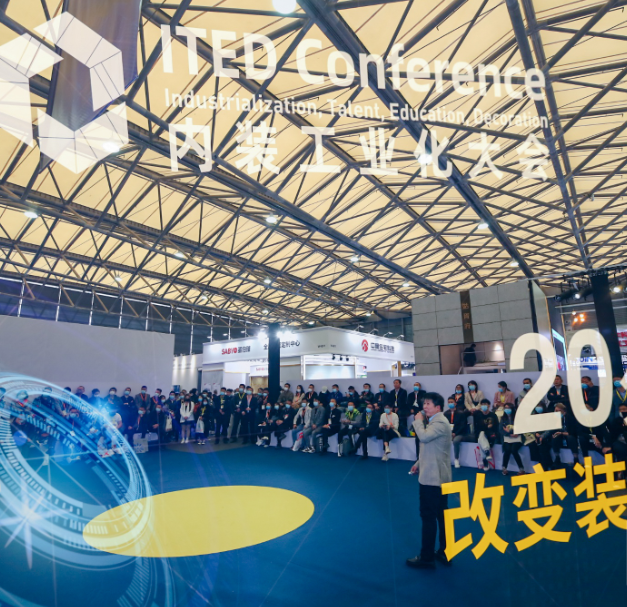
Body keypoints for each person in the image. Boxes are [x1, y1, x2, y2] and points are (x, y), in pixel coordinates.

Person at [406, 392, 452, 569]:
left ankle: (426, 557)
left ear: (437, 407)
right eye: (424, 403)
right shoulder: (435, 422)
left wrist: (417, 421)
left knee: (429, 517)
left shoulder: (439, 422)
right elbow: (432, 447)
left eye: (428, 404)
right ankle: (445, 552)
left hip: (433, 479)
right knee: (441, 515)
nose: (424, 407)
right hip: (437, 475)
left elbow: (424, 437)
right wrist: (419, 463)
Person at [544, 403, 579, 469]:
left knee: (571, 438)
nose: (556, 412)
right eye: (555, 410)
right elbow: (553, 430)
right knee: (555, 438)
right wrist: (554, 434)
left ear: (564, 411)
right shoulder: (555, 419)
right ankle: (557, 457)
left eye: (558, 411)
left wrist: (561, 433)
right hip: (561, 436)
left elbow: (572, 432)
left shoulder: (570, 418)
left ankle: (576, 458)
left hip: (569, 435)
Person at [472, 399, 499, 469]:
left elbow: (496, 427)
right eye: (482, 404)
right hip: (481, 434)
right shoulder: (478, 416)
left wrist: (491, 427)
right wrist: (486, 427)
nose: (484, 406)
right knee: (481, 435)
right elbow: (477, 427)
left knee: (481, 439)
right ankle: (487, 452)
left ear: (489, 405)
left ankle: (485, 460)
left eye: (485, 404)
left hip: (491, 434)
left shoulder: (493, 415)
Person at [445, 399, 472, 469]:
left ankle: (456, 459)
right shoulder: (446, 413)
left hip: (459, 433)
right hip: (449, 433)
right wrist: (449, 433)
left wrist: (455, 433)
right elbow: (445, 425)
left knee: (456, 441)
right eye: (449, 402)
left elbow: (463, 425)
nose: (450, 403)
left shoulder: (461, 413)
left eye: (452, 402)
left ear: (455, 403)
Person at [500, 405, 525, 476]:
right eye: (505, 408)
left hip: (517, 438)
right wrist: (509, 434)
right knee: (507, 450)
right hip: (507, 438)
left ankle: (521, 469)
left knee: (514, 450)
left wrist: (516, 433)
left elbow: (522, 428)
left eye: (508, 408)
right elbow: (501, 430)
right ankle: (504, 468)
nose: (507, 409)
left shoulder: (518, 418)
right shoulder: (503, 419)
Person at [609, 403, 627, 470]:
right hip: (620, 442)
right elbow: (613, 433)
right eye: (620, 410)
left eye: (624, 409)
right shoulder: (616, 421)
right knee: (619, 449)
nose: (622, 411)